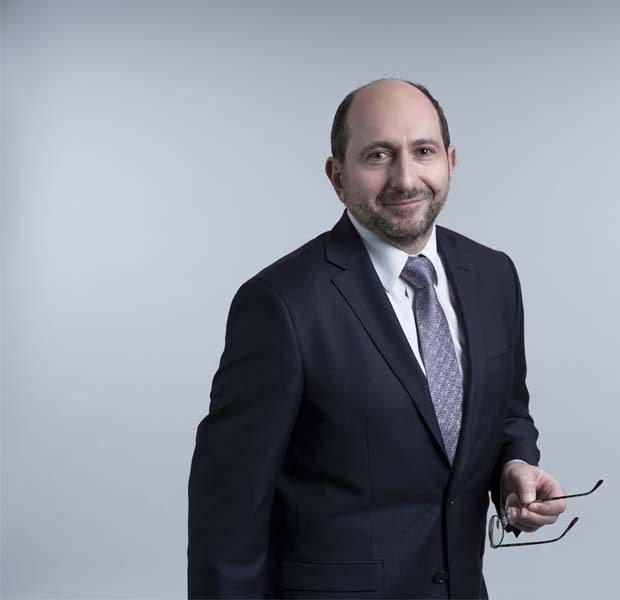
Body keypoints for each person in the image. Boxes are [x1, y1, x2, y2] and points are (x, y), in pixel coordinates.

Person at [187, 78, 567, 599]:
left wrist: (514, 465)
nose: (405, 178)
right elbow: (227, 515)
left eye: (424, 151)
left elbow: (506, 414)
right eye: (378, 155)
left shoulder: (493, 275)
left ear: (451, 161)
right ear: (337, 176)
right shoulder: (280, 305)